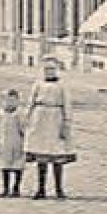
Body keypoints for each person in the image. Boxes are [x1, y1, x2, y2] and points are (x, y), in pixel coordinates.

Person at [23, 57, 76, 199]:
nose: (49, 72)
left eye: (52, 69)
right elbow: (30, 102)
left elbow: (67, 106)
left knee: (56, 156)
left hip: (56, 119)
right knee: (41, 156)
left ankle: (59, 189)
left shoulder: (62, 86)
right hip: (40, 119)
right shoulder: (38, 85)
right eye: (46, 69)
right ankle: (41, 189)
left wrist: (66, 123)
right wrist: (27, 118)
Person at [0, 86, 26, 198]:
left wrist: (25, 141)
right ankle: (5, 188)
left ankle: (16, 188)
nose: (9, 103)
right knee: (5, 166)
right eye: (7, 100)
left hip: (17, 143)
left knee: (18, 166)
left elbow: (24, 129)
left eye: (12, 100)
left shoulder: (19, 114)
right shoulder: (0, 114)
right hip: (4, 143)